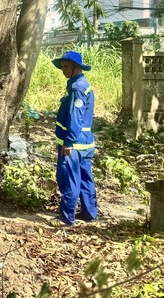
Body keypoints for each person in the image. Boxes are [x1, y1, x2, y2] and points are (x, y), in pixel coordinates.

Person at [51, 50, 98, 226]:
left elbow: (75, 116)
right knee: (86, 178)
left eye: (65, 66)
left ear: (76, 67)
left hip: (74, 144)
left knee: (69, 178)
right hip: (85, 142)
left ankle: (67, 218)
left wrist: (69, 142)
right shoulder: (81, 84)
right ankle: (90, 214)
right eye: (62, 66)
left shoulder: (77, 88)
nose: (63, 70)